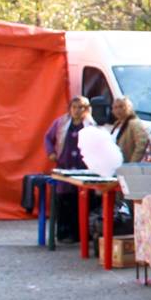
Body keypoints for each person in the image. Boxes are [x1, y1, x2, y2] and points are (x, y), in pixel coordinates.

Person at [44, 96, 95, 242]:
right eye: (74, 107)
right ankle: (64, 234)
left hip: (83, 169)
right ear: (70, 109)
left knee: (82, 200)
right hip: (64, 167)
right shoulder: (61, 123)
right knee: (65, 199)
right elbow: (48, 138)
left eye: (81, 108)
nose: (77, 110)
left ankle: (81, 234)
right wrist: (51, 153)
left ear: (86, 110)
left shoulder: (91, 125)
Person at [109, 97, 149, 163]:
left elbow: (142, 144)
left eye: (121, 106)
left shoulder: (135, 123)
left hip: (127, 168)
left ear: (129, 108)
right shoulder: (117, 124)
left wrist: (132, 165)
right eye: (115, 107)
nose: (118, 110)